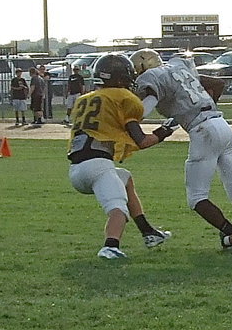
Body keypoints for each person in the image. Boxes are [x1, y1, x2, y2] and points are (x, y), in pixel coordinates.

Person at [129, 48, 232, 244]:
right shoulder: (177, 67)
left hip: (203, 130)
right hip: (221, 123)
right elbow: (217, 83)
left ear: (143, 66)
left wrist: (131, 119)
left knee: (197, 198)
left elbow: (148, 103)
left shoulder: (152, 76)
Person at [66, 53, 176, 259]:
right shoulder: (122, 97)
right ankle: (110, 246)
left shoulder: (84, 99)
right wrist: (166, 130)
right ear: (118, 79)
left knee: (125, 178)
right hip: (97, 165)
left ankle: (148, 232)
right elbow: (142, 140)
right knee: (118, 209)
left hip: (76, 169)